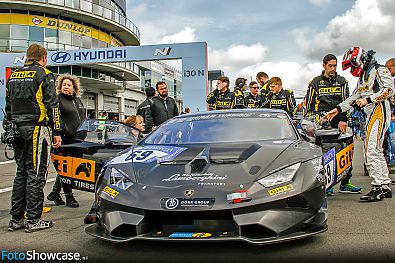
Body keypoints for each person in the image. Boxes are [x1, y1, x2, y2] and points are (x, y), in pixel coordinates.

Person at [326, 47, 394, 202]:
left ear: (360, 59)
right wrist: (337, 110)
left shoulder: (379, 69)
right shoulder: (363, 77)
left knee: (370, 149)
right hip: (370, 113)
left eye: (352, 65)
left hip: (379, 110)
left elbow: (389, 90)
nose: (352, 69)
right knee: (375, 149)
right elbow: (353, 97)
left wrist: (368, 100)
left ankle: (377, 188)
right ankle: (384, 185)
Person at [6, 44, 61, 232]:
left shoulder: (13, 76)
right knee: (36, 174)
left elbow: (8, 107)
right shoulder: (44, 74)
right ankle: (34, 219)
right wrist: (57, 132)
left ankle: (16, 219)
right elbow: (53, 106)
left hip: (16, 129)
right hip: (37, 130)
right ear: (43, 57)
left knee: (21, 173)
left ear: (27, 57)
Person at [305, 53, 361, 195]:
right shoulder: (315, 82)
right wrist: (311, 122)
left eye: (335, 65)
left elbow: (346, 102)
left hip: (338, 118)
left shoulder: (342, 81)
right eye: (330, 65)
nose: (333, 68)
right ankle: (327, 184)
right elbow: (309, 105)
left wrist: (343, 119)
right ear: (324, 65)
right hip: (321, 120)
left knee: (346, 147)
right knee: (325, 151)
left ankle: (345, 183)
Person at [84, 114, 145, 224]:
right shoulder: (124, 139)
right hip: (124, 170)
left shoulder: (142, 138)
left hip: (138, 171)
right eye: (140, 123)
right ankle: (94, 211)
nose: (143, 124)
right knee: (109, 189)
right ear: (132, 126)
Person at [47, 74, 85, 208]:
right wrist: (60, 132)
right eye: (64, 85)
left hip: (78, 140)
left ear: (74, 87)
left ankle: (54, 193)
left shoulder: (78, 100)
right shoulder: (58, 100)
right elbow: (55, 118)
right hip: (65, 140)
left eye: (69, 85)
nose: (66, 87)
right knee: (66, 169)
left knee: (68, 168)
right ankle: (69, 197)